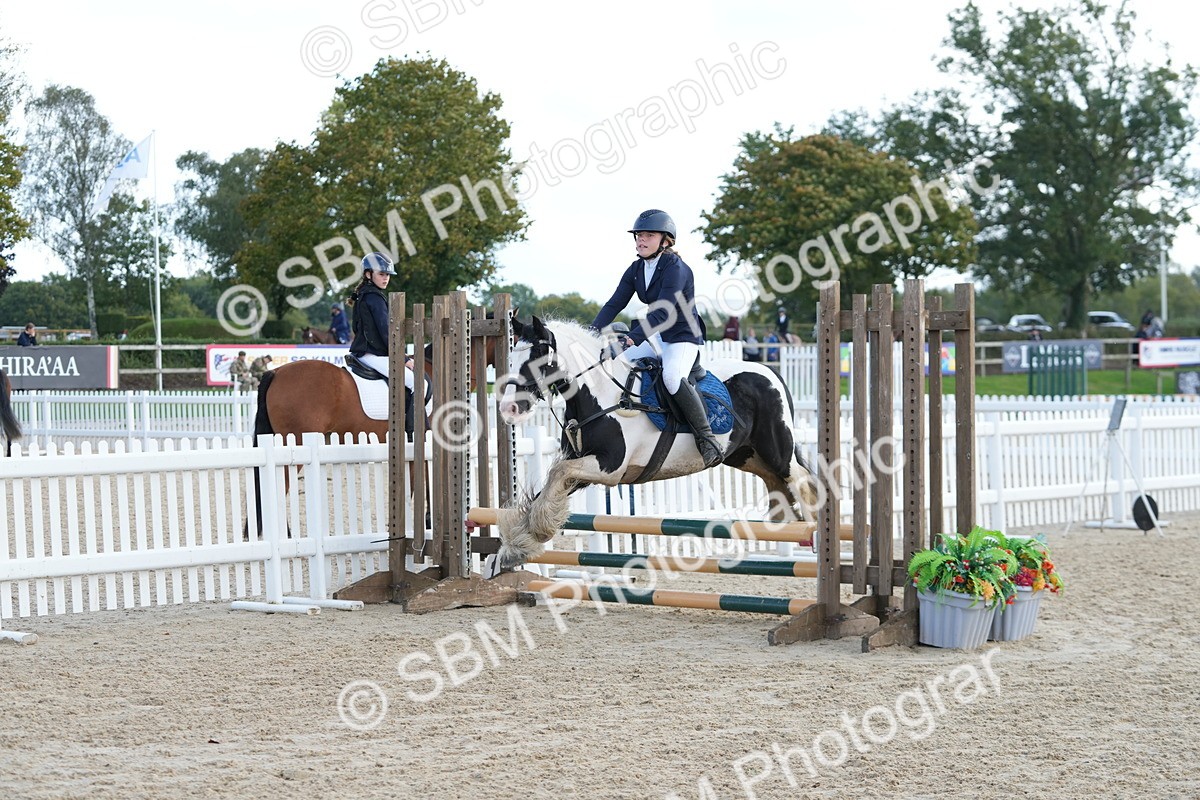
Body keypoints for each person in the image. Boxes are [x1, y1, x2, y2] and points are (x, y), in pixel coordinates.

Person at [590, 209, 722, 468]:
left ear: (666, 241)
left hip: (682, 336)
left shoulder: (676, 268)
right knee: (621, 365)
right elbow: (615, 302)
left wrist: (631, 339)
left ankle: (707, 440)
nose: (641, 240)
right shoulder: (637, 268)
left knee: (672, 377)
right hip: (657, 334)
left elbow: (664, 310)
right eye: (639, 235)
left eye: (649, 235)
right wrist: (591, 331)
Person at [348, 251, 416, 392]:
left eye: (387, 275)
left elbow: (356, 327)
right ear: (368, 274)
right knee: (415, 382)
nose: (385, 278)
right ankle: (409, 415)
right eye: (381, 274)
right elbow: (386, 332)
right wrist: (403, 358)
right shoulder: (375, 298)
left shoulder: (363, 295)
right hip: (372, 355)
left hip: (362, 353)